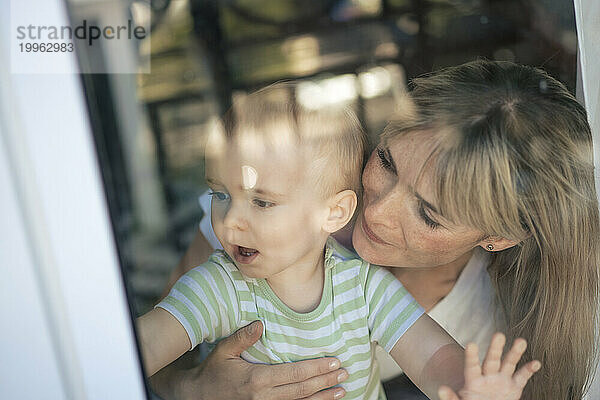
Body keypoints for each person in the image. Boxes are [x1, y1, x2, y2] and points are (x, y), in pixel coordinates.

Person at [150, 60, 600, 400]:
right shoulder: (256, 226)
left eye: (429, 214)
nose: (377, 212)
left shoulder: (488, 322)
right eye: (385, 161)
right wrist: (194, 389)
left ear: (497, 238)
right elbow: (144, 356)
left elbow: (440, 364)